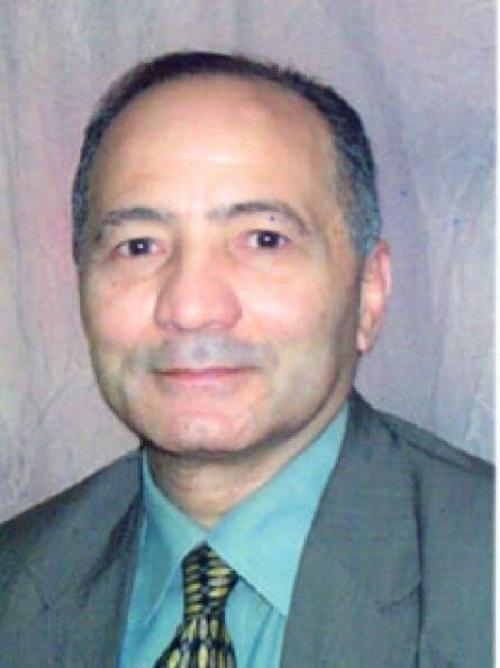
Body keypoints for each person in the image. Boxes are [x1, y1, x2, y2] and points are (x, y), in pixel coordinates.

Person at [0, 51, 492, 667]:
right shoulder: (15, 585)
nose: (191, 307)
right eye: (139, 246)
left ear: (369, 292)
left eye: (264, 239)